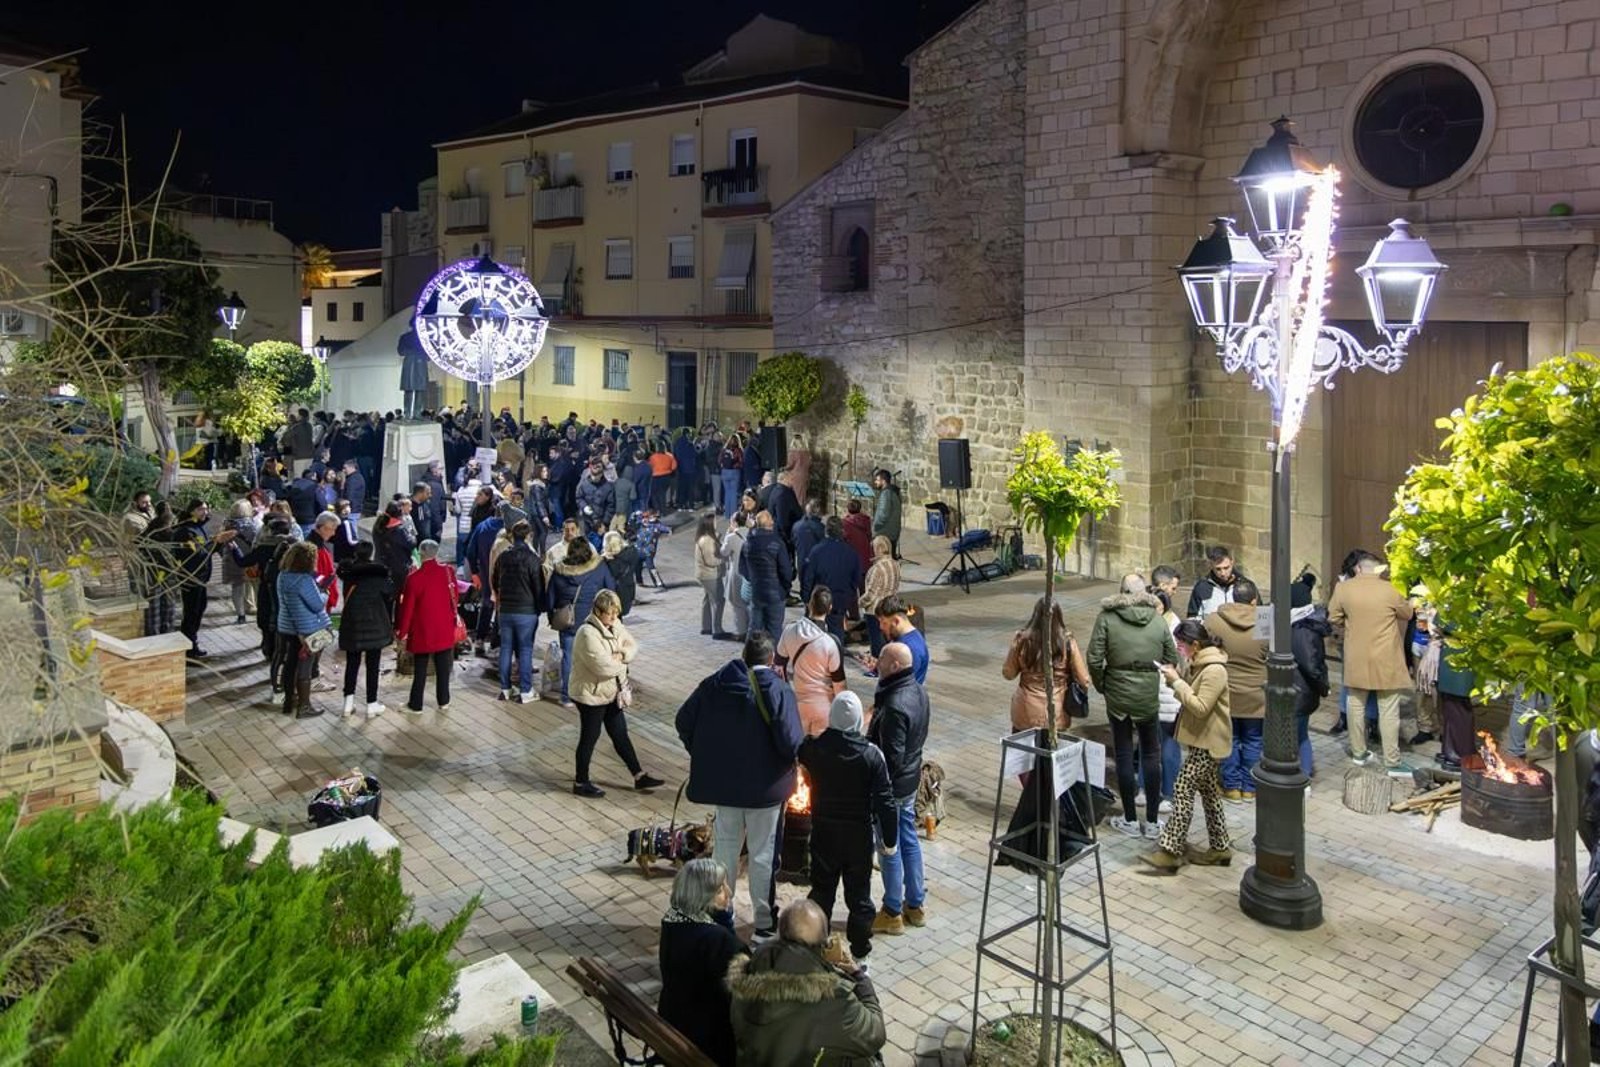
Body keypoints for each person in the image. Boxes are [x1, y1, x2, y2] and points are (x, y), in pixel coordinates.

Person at [676, 632, 804, 941]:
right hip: (767, 793)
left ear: (744, 656)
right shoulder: (779, 690)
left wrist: (706, 756)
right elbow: (791, 743)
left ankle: (722, 916)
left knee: (724, 853)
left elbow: (683, 721)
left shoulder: (714, 685)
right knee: (762, 857)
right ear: (771, 660)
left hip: (726, 791)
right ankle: (763, 926)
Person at [799, 691, 897, 966]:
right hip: (858, 837)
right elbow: (885, 801)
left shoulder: (814, 748)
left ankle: (816, 946)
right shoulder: (871, 755)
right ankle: (860, 954)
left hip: (824, 834)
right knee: (859, 897)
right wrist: (890, 839)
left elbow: (798, 750)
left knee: (821, 892)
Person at [728, 899, 887, 1065]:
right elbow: (875, 1034)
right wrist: (860, 977)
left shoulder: (747, 974)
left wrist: (820, 966)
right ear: (822, 946)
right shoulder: (833, 997)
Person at [1088, 574, 1179, 837]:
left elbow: (1094, 658)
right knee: (1151, 754)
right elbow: (1171, 656)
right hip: (1147, 693)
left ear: (1122, 591)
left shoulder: (1107, 618)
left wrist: (1103, 684)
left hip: (1117, 692)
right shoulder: (1157, 619)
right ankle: (1151, 821)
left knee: (1124, 754)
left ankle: (1129, 817)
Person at [1143, 620, 1234, 871]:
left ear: (1195, 644)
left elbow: (1201, 707)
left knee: (1182, 790)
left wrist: (1176, 682)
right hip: (1200, 741)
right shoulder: (1200, 663)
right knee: (1210, 795)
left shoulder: (1214, 670)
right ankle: (1220, 848)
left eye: (1182, 645)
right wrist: (1176, 678)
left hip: (1209, 743)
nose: (1179, 649)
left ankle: (1171, 851)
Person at [567, 588, 664, 797]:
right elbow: (603, 667)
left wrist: (621, 655)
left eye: (616, 613)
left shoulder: (615, 624)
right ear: (598, 612)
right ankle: (580, 782)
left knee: (620, 734)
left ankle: (639, 776)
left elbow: (632, 645)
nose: (614, 617)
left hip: (611, 691)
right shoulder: (587, 634)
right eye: (609, 613)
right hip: (591, 695)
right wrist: (622, 663)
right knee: (589, 737)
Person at [1328, 554, 1415, 772]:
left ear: (1357, 569)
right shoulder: (1390, 589)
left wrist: (1351, 625)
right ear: (1380, 570)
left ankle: (1358, 752)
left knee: (1355, 704)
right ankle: (1392, 760)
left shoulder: (1343, 589)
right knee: (1389, 709)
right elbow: (1407, 613)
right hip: (1386, 657)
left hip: (1356, 655)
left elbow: (1333, 617)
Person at [867, 641, 929, 936]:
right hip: (910, 779)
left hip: (893, 788)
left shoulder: (894, 705)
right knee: (908, 839)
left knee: (888, 847)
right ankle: (915, 905)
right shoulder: (918, 691)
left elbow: (891, 758)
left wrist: (878, 790)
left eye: (881, 658)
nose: (876, 662)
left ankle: (892, 911)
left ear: (894, 665)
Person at [658, 858, 746, 1067]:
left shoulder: (673, 921)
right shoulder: (717, 940)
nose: (729, 893)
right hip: (708, 1041)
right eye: (720, 890)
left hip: (674, 1022)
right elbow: (746, 997)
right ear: (702, 897)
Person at [1205, 576, 1268, 801]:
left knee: (1229, 738)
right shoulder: (1265, 620)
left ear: (1233, 597)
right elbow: (1272, 652)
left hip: (1226, 688)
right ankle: (1249, 787)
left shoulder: (1215, 620)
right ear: (1254, 600)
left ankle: (1231, 786)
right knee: (1253, 739)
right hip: (1256, 691)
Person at [1003, 597, 1092, 736]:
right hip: (1056, 710)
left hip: (1025, 708)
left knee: (1023, 748)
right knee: (1052, 748)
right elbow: (1084, 680)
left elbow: (1008, 673)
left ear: (1035, 615)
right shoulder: (1067, 642)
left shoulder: (1022, 640)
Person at [164, 499, 239, 661]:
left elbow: (207, 550)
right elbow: (197, 554)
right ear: (191, 511)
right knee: (192, 612)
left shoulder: (199, 527)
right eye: (200, 509)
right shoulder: (185, 531)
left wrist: (218, 542)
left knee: (198, 609)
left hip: (201, 577)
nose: (205, 512)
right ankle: (189, 648)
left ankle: (191, 643)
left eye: (206, 509)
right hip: (191, 577)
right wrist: (216, 542)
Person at [548, 536, 617, 708]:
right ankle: (592, 693)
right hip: (593, 623)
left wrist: (552, 616)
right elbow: (611, 590)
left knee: (568, 658)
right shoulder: (599, 567)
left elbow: (550, 599)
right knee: (594, 658)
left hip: (568, 622)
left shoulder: (559, 570)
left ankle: (566, 697)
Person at [395, 539, 458, 715]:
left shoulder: (414, 579)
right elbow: (454, 596)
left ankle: (416, 705)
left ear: (421, 554)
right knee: (443, 666)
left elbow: (407, 609)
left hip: (423, 630)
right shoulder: (448, 572)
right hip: (444, 627)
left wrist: (402, 632)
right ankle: (444, 701)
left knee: (421, 668)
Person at [776, 588, 847, 736]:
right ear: (830, 608)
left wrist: (787, 697)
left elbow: (778, 667)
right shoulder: (830, 643)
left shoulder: (789, 630)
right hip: (824, 707)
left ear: (809, 605)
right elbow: (839, 685)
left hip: (799, 705)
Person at [336, 541, 393, 719]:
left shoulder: (348, 574)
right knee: (373, 665)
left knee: (352, 664)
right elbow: (389, 593)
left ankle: (348, 704)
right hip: (374, 624)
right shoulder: (378, 573)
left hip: (352, 624)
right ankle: (371, 704)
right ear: (370, 554)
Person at [275, 541, 330, 719]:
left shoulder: (282, 575)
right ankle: (304, 706)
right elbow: (316, 605)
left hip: (287, 627)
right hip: (307, 629)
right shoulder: (304, 580)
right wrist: (324, 594)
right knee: (305, 666)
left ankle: (289, 701)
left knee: (290, 664)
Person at [492, 520, 545, 703]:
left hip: (506, 610)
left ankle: (505, 689)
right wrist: (540, 607)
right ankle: (525, 690)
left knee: (506, 648)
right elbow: (538, 587)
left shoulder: (503, 557)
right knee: (525, 649)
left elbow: (495, 581)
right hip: (526, 611)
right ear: (528, 536)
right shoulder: (532, 559)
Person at [1291, 576, 1332, 778]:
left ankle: (1302, 775)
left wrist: (1323, 685)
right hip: (1302, 691)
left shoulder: (1301, 629)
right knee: (1301, 734)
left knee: (1297, 735)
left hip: (1298, 691)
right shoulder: (1305, 624)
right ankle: (1304, 773)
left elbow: (1310, 663)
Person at [805, 516, 864, 645]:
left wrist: (807, 598)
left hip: (820, 599)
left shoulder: (816, 551)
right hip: (840, 600)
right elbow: (857, 578)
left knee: (814, 635)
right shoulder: (851, 553)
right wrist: (849, 594)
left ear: (826, 531)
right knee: (836, 635)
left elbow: (808, 578)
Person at [740, 510, 792, 644]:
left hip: (757, 592)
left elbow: (742, 568)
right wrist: (785, 588)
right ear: (770, 524)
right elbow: (786, 571)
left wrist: (754, 580)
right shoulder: (777, 544)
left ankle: (750, 654)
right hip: (775, 593)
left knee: (754, 629)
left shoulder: (747, 543)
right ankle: (773, 656)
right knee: (775, 630)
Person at [866, 596, 927, 684]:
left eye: (883, 622)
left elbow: (902, 685)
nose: (881, 627)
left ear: (896, 621)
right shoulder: (902, 638)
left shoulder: (909, 648)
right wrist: (880, 665)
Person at [858, 537, 899, 659]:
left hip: (875, 610)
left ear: (877, 549)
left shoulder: (876, 569)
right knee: (888, 638)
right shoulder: (895, 564)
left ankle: (878, 663)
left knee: (877, 641)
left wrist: (860, 603)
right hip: (890, 607)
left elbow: (871, 594)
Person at [221, 499, 260, 624]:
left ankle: (241, 615)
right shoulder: (253, 526)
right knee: (256, 587)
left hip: (233, 561)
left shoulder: (226, 526)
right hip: (250, 561)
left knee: (237, 588)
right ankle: (260, 612)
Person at [694, 514, 730, 638]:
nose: (716, 523)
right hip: (710, 575)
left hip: (703, 574)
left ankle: (706, 626)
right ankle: (717, 630)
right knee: (718, 600)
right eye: (714, 521)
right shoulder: (707, 541)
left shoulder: (704, 538)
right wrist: (724, 559)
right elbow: (711, 561)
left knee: (708, 599)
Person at [1185, 545, 1240, 619]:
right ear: (1211, 565)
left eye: (1226, 568)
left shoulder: (1243, 585)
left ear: (1232, 563)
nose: (1223, 573)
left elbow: (1255, 614)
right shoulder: (1201, 587)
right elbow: (1192, 618)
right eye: (1218, 569)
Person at [722, 510, 751, 639]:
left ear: (734, 522)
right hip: (750, 573)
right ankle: (750, 628)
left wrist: (727, 534)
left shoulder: (731, 537)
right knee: (748, 602)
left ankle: (741, 631)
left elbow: (723, 553)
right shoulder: (751, 533)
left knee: (737, 603)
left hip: (736, 572)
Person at [792, 501, 826, 601]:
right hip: (816, 560)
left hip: (802, 557)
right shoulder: (820, 527)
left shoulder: (796, 526)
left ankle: (806, 601)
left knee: (804, 581)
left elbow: (793, 540)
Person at [601, 530, 640, 616]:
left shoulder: (608, 562)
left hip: (614, 594)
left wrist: (605, 560)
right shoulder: (631, 553)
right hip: (628, 591)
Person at [576, 459, 615, 535]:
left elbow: (610, 506)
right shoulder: (584, 484)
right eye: (592, 476)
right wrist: (584, 507)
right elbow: (579, 498)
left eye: (596, 477)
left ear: (601, 474)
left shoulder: (608, 487)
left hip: (601, 522)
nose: (594, 479)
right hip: (587, 520)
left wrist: (605, 523)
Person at [870, 469, 902, 558]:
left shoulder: (886, 494)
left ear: (883, 481)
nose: (875, 482)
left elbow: (883, 515)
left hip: (885, 532)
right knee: (890, 559)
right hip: (892, 532)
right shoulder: (893, 491)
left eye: (877, 480)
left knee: (883, 559)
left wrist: (874, 527)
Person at [842, 498, 873, 573]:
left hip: (852, 561)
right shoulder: (866, 520)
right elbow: (869, 537)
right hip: (865, 560)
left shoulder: (845, 523)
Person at [719, 434, 744, 522]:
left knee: (727, 493)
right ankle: (733, 515)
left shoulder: (724, 450)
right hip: (734, 472)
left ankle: (727, 514)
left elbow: (719, 460)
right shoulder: (738, 450)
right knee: (734, 493)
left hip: (724, 472)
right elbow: (741, 462)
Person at [647, 445, 677, 512]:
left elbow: (649, 467)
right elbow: (674, 467)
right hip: (667, 477)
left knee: (654, 494)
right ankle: (663, 510)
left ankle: (657, 509)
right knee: (662, 494)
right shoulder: (670, 456)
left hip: (656, 477)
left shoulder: (653, 457)